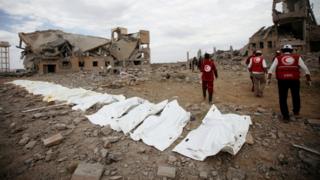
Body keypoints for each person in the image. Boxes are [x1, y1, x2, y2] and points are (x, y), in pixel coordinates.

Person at [267, 44, 311, 122]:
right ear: (291, 50)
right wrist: (308, 79)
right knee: (296, 95)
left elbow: (271, 69)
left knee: (283, 98)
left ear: (282, 51)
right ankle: (296, 112)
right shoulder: (297, 57)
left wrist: (269, 79)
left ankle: (286, 116)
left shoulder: (278, 58)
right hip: (295, 80)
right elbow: (305, 68)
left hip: (282, 81)